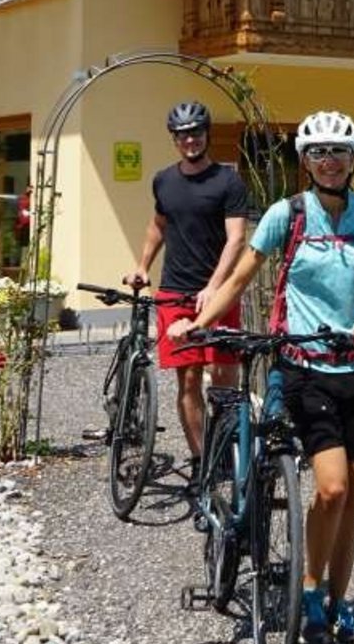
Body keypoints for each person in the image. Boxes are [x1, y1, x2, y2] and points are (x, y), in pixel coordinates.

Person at [170, 110, 354, 644]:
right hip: (304, 367)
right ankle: (311, 588)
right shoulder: (288, 213)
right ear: (305, 160)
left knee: (353, 491)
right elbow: (240, 277)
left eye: (338, 151)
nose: (328, 161)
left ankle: (337, 603)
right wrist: (200, 323)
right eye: (318, 152)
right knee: (332, 486)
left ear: (352, 158)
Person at [125, 100, 249, 477]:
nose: (190, 140)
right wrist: (142, 265)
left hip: (218, 294)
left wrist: (214, 287)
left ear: (206, 134)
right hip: (175, 291)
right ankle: (201, 461)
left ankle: (226, 447)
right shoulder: (164, 180)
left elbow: (236, 239)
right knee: (189, 378)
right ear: (174, 139)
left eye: (195, 133)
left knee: (224, 377)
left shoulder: (228, 181)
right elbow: (159, 225)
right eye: (182, 135)